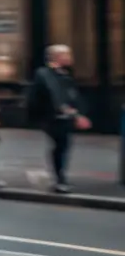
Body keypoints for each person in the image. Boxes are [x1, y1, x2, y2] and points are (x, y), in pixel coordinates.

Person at [28, 44, 90, 193]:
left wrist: (78, 113)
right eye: (66, 55)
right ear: (57, 57)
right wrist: (69, 112)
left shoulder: (65, 74)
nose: (70, 58)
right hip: (52, 117)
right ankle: (59, 179)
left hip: (65, 117)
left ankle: (60, 177)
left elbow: (73, 95)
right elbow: (54, 95)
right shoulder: (45, 74)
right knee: (60, 146)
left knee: (63, 147)